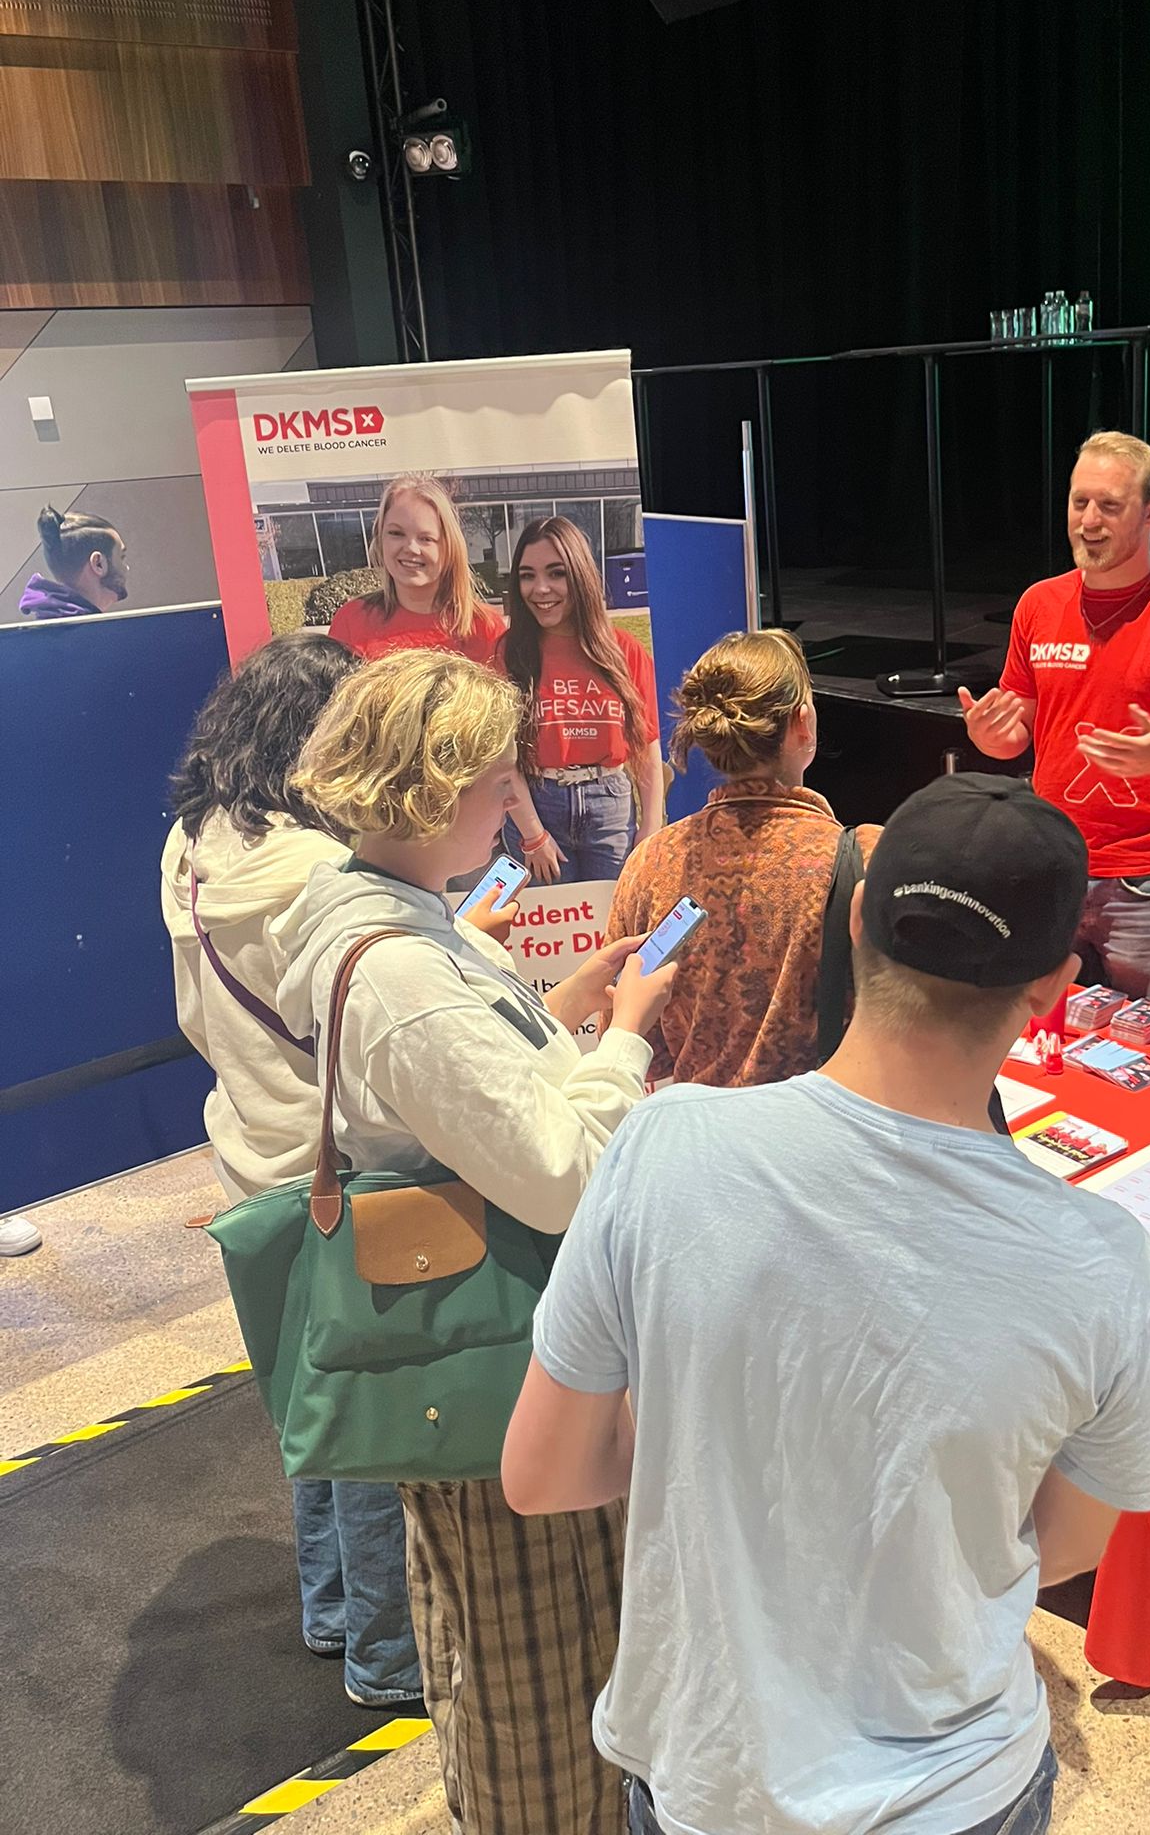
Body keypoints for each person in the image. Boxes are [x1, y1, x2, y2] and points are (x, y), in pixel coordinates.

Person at [504, 773, 1150, 1835]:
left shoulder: (665, 1145)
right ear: (1053, 983)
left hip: (706, 1774)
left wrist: (713, 1421)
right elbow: (1064, 1542)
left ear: (857, 915)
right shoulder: (1113, 1263)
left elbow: (541, 1473)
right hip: (961, 1788)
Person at [274, 650, 674, 1835]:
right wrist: (631, 1038)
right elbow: (558, 1174)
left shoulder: (387, 916)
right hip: (500, 1356)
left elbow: (467, 1104)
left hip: (483, 1343)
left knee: (500, 1618)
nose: (513, 801)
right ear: (430, 789)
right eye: (498, 780)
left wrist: (554, 1019)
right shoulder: (404, 968)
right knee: (539, 1651)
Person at [159, 630, 423, 1710]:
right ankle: (388, 1656)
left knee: (310, 1395)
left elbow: (191, 1012)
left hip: (249, 1153)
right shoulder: (323, 871)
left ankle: (327, 1609)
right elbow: (365, 1039)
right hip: (342, 1166)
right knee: (372, 1415)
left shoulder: (187, 844)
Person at [960, 430, 1150, 1018]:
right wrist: (993, 737)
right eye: (1080, 503)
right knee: (1045, 1047)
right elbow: (1019, 727)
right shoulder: (1039, 604)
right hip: (1053, 868)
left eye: (1110, 505)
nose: (1089, 521)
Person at [607, 629, 880, 1086]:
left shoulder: (649, 865)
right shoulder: (866, 861)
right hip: (822, 1144)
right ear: (804, 724)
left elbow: (638, 1042)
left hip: (701, 1142)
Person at [500, 514, 665, 885]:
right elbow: (501, 755)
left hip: (611, 808)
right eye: (527, 575)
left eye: (556, 573)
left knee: (616, 928)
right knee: (553, 936)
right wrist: (532, 834)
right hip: (538, 806)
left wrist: (651, 827)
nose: (540, 588)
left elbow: (647, 748)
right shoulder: (510, 653)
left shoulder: (624, 650)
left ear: (579, 574)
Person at [328, 474, 504, 664]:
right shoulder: (351, 620)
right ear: (380, 539)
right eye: (396, 533)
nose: (411, 548)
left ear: (449, 547)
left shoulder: (486, 628)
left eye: (426, 538)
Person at [17, 503, 129, 619]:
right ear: (98, 564)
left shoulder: (43, 630)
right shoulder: (97, 634)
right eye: (121, 557)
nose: (126, 568)